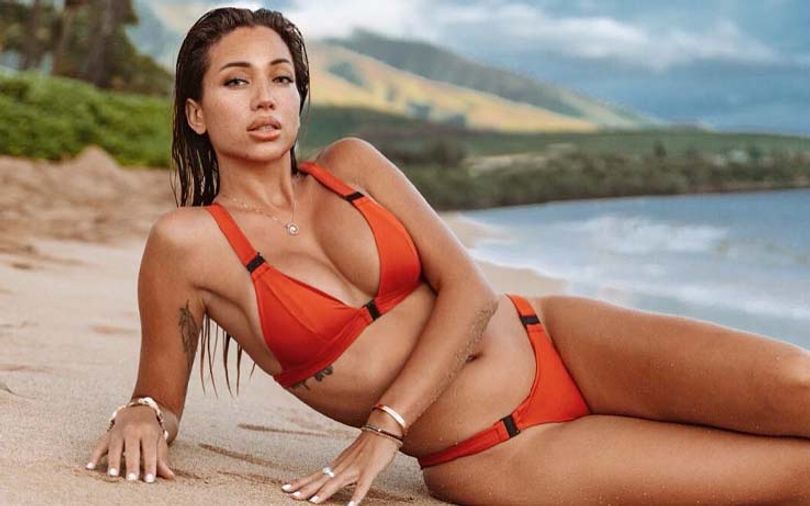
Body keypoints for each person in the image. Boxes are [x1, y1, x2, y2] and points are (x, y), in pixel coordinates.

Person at [84, 7, 810, 505]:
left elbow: (471, 291)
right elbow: (159, 395)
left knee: (796, 382)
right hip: (502, 449)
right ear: (197, 111)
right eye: (236, 81)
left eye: (281, 77)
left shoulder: (353, 165)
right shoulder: (187, 244)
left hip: (558, 337)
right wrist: (143, 414)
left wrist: (383, 428)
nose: (265, 98)